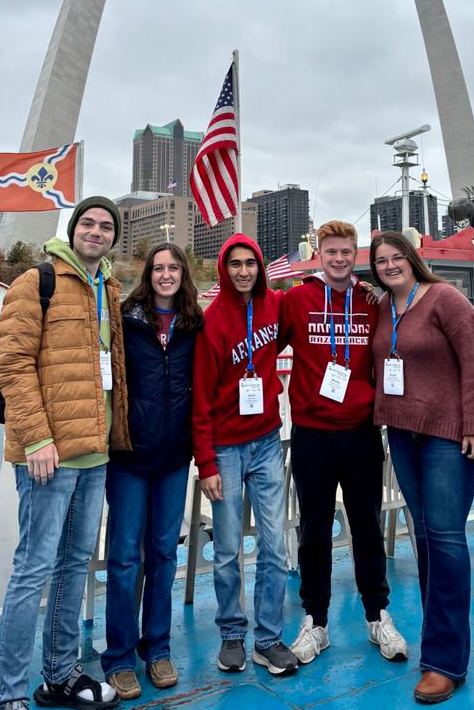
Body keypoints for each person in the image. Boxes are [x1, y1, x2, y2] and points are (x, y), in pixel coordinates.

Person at [0, 197, 130, 710]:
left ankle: (61, 674)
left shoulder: (108, 287)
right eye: (88, 224)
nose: (96, 232)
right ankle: (9, 694)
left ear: (115, 237)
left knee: (74, 565)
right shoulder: (37, 282)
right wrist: (36, 438)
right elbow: (11, 365)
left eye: (106, 226)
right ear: (73, 231)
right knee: (32, 569)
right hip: (48, 457)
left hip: (95, 455)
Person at [370, 230, 474, 705]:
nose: (389, 265)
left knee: (445, 537)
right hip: (403, 433)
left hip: (449, 434)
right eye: (381, 260)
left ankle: (445, 662)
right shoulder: (383, 308)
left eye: (396, 257)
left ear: (412, 258)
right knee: (423, 536)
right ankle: (440, 645)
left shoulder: (445, 298)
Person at [278, 220, 407, 666]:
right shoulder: (296, 300)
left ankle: (377, 615)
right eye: (330, 252)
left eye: (346, 252)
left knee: (367, 528)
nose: (338, 259)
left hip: (361, 433)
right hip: (312, 434)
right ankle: (316, 622)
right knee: (313, 531)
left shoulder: (372, 301)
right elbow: (256, 345)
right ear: (319, 253)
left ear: (355, 255)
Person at [192, 233, 298, 676]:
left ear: (260, 266)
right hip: (226, 447)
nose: (243, 271)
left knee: (275, 545)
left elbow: (310, 316)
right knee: (228, 549)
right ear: (224, 268)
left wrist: (364, 289)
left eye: (250, 263)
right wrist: (207, 463)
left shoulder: (276, 305)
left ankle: (268, 638)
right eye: (234, 264)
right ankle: (232, 633)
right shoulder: (212, 321)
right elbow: (199, 398)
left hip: (268, 439)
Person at [101, 243, 204, 700]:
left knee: (164, 554)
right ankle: (120, 657)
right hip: (128, 457)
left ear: (183, 273)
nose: (166, 274)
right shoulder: (125, 321)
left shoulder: (192, 324)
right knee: (125, 559)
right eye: (158, 268)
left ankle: (157, 648)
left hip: (173, 458)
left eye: (173, 267)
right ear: (149, 274)